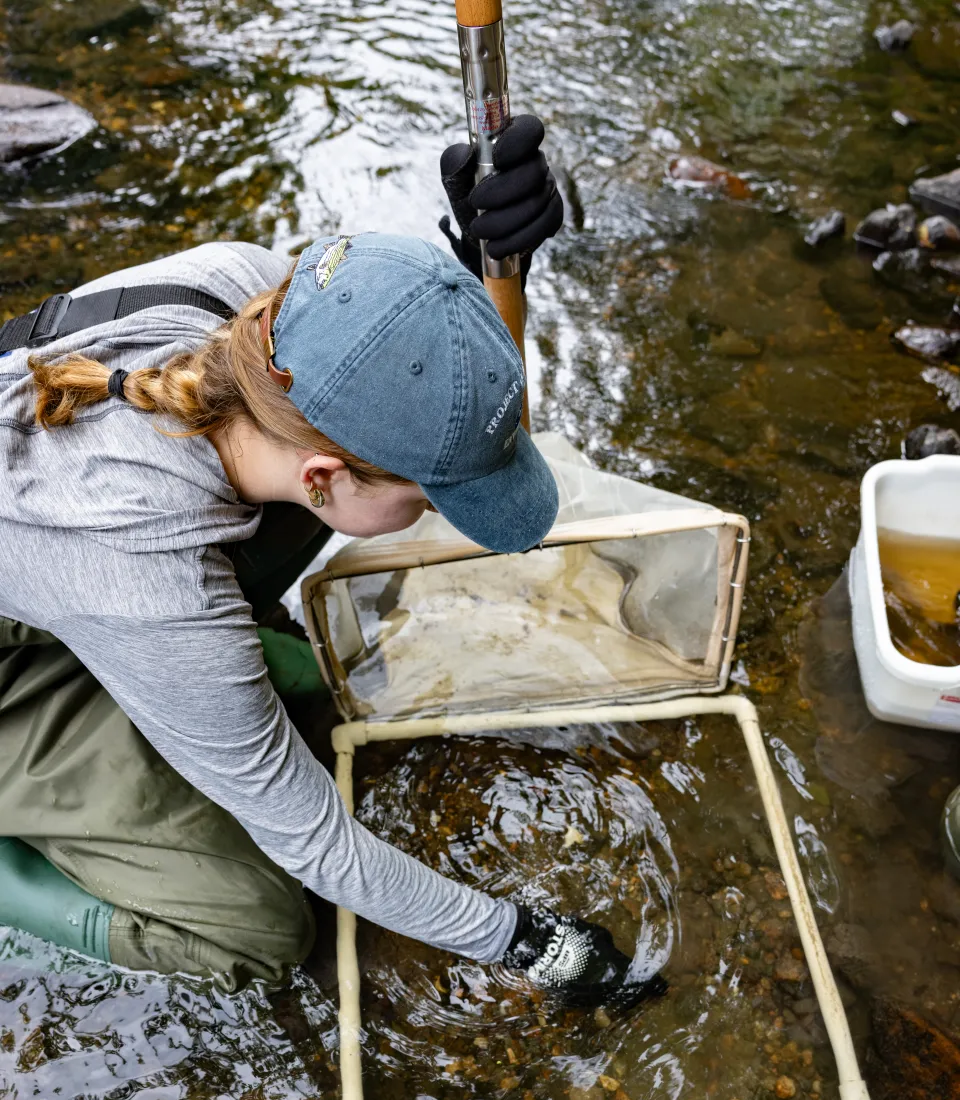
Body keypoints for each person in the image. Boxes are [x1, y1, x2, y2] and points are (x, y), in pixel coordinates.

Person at [0, 116, 666, 1010]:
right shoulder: (149, 578)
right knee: (263, 924)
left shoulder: (248, 295)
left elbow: (411, 384)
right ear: (322, 473)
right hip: (42, 636)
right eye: (430, 497)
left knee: (291, 664)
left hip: (56, 572)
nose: (437, 513)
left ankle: (177, 681)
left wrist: (484, 281)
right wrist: (532, 943)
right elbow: (318, 844)